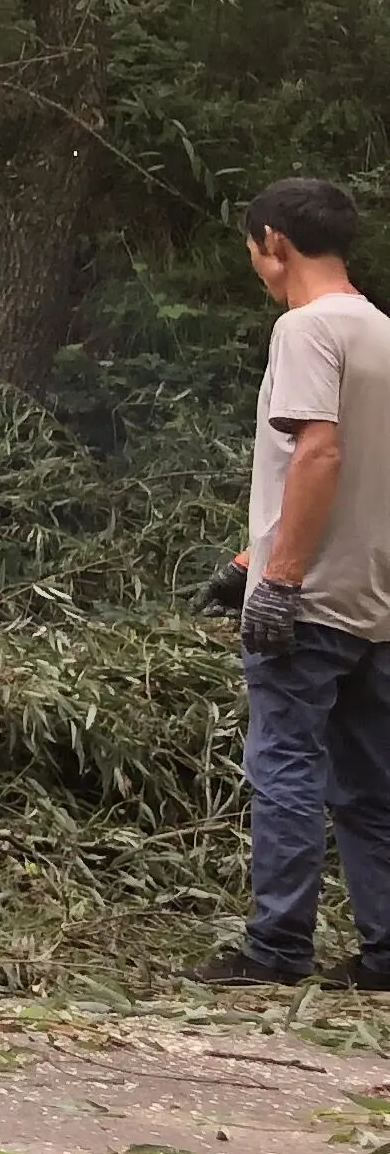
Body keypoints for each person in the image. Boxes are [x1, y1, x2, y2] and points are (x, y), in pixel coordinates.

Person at [200, 178, 390, 990]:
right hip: (375, 603)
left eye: (251, 248)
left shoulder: (305, 331)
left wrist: (276, 582)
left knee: (283, 767)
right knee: (370, 786)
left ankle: (277, 948)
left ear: (273, 241)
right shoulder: (381, 331)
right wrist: (248, 559)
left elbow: (319, 455)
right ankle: (385, 954)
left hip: (308, 607)